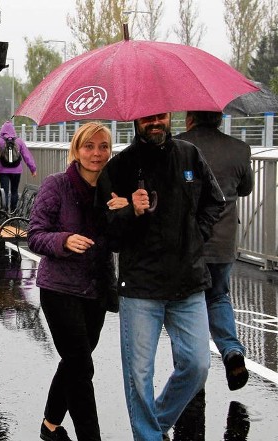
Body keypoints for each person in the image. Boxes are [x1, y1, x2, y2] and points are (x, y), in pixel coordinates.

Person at [96, 112, 226, 441]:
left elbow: (215, 201)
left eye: (161, 116)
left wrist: (196, 235)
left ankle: (155, 422)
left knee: (197, 365)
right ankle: (148, 436)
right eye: (148, 118)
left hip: (188, 283)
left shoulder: (189, 155)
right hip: (140, 288)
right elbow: (107, 234)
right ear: (136, 121)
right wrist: (130, 211)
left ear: (170, 116)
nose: (155, 122)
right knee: (139, 376)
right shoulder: (120, 167)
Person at [28, 122, 128, 441]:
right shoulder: (56, 185)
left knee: (75, 363)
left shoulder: (113, 190)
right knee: (81, 366)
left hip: (96, 289)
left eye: (103, 147)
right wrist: (64, 240)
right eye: (89, 146)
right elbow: (35, 235)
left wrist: (123, 214)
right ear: (76, 149)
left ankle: (50, 426)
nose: (96, 153)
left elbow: (120, 241)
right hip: (59, 288)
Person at [176, 111, 253, 390]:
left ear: (190, 118)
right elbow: (245, 188)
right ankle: (232, 351)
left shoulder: (177, 145)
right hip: (223, 242)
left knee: (184, 303)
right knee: (218, 296)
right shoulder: (240, 149)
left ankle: (188, 374)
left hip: (186, 242)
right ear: (219, 118)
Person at [0, 120, 37, 211]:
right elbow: (27, 155)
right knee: (14, 191)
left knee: (5, 191)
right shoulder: (19, 141)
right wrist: (33, 169)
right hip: (16, 170)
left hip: (2, 170)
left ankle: (4, 211)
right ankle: (14, 211)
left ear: (2, 130)